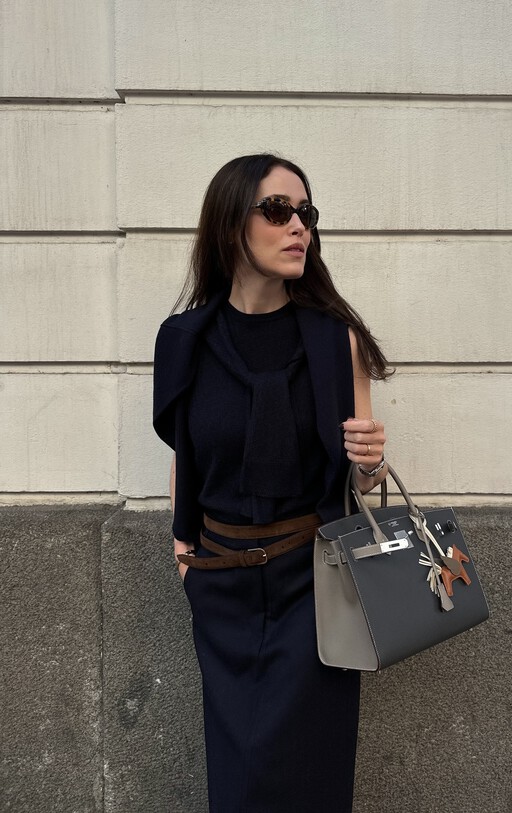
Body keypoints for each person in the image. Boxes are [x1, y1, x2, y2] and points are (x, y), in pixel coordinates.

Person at [153, 153, 391, 812]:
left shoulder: (334, 340)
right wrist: (184, 557)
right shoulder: (184, 339)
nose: (299, 227)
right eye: (279, 210)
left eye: (306, 213)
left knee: (309, 776)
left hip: (314, 583)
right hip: (221, 582)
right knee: (239, 780)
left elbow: (361, 477)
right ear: (231, 223)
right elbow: (186, 453)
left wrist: (370, 459)